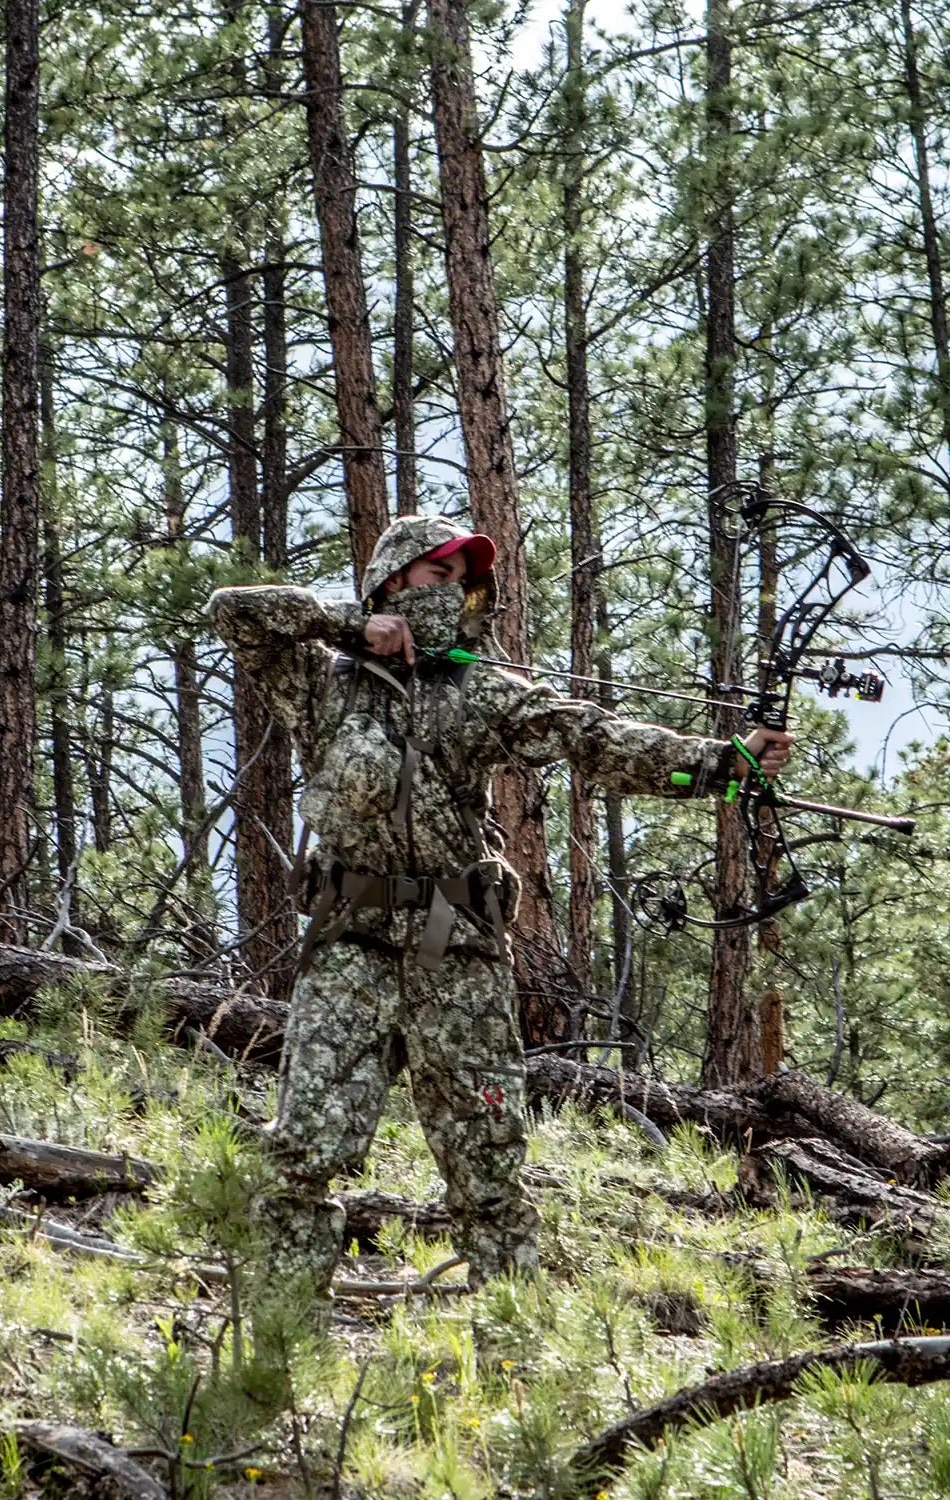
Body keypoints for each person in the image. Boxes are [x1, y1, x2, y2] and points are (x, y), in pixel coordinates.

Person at [210, 514, 793, 1303]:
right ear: (390, 579)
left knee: (488, 1168)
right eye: (436, 575)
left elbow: (593, 738)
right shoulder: (321, 682)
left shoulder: (480, 691)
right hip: (352, 945)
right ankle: (276, 1342)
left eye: (463, 581)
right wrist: (354, 628)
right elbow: (234, 610)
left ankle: (516, 1353)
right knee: (305, 1151)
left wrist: (723, 764)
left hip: (457, 950)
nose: (454, 593)